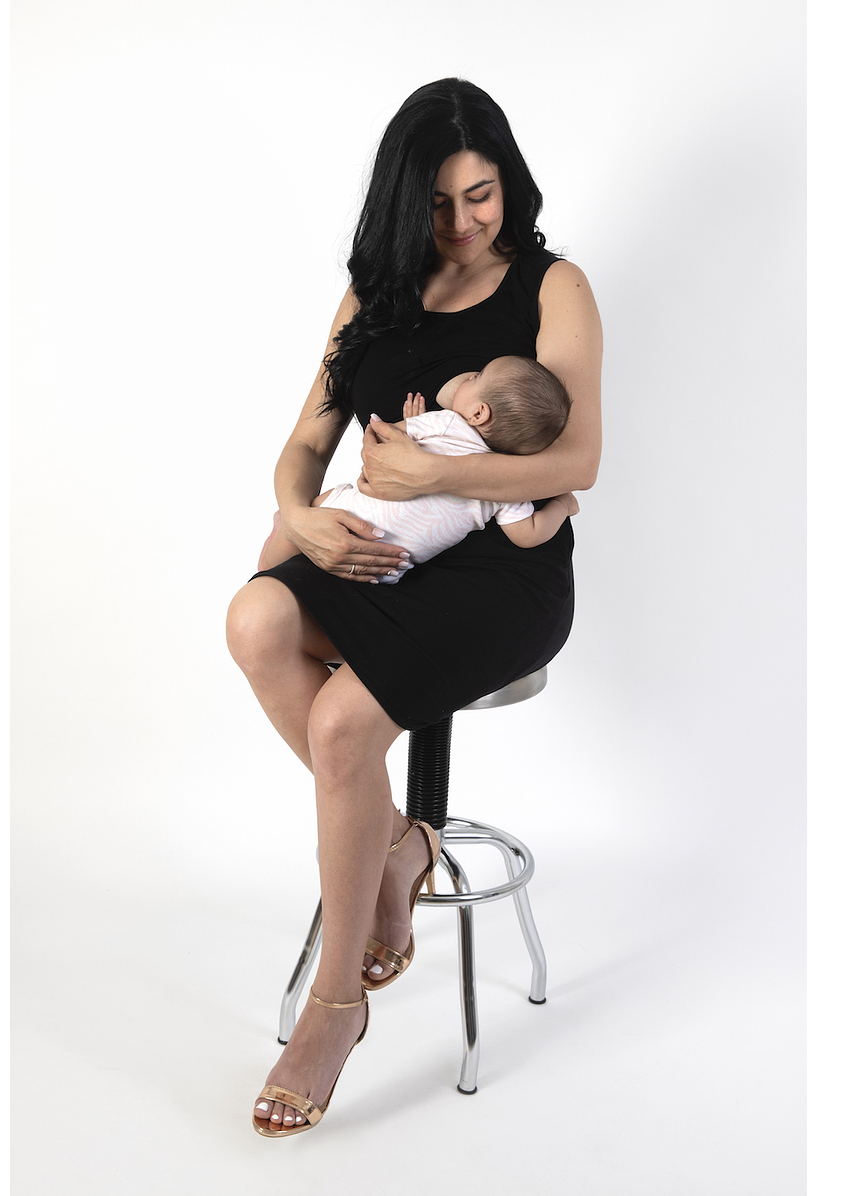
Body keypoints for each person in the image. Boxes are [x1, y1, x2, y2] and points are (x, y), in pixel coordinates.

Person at [226, 77, 602, 1137]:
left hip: (501, 574)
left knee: (345, 722)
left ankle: (335, 1006)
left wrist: (435, 477)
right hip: (378, 546)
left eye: (480, 195)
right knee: (254, 619)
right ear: (403, 202)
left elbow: (577, 459)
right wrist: (299, 516)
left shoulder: (554, 286)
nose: (464, 222)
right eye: (437, 204)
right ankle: (396, 842)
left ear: (508, 182)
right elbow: (307, 441)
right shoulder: (374, 292)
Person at [258, 355, 580, 581]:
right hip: (384, 567)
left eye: (477, 377)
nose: (470, 376)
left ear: (479, 413)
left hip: (347, 513)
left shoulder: (448, 423)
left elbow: (381, 435)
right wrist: (562, 506)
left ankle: (269, 561)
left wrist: (414, 427)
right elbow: (527, 534)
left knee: (296, 533)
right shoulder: (506, 487)